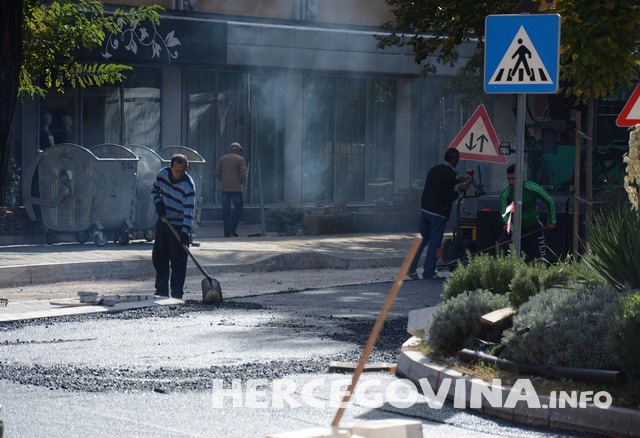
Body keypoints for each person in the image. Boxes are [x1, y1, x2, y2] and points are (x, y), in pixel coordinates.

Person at [408, 148, 469, 280]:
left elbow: (439, 185)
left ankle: (411, 268)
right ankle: (428, 272)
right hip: (438, 214)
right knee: (435, 243)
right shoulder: (449, 174)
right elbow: (447, 196)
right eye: (457, 160)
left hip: (425, 210)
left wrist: (456, 181)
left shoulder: (434, 169)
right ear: (453, 160)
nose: (457, 163)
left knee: (422, 240)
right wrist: (459, 190)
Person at [151, 154, 195, 299]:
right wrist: (158, 202)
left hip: (179, 225)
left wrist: (184, 233)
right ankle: (161, 292)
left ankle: (176, 294)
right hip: (164, 223)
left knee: (178, 262)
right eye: (176, 171)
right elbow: (154, 190)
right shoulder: (162, 174)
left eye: (182, 171)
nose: (178, 174)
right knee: (159, 258)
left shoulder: (188, 186)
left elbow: (189, 211)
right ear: (171, 167)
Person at [498, 164, 556, 261]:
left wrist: (552, 221)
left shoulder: (532, 188)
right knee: (503, 248)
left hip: (532, 227)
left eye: (513, 178)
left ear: (522, 178)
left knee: (539, 260)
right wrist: (513, 231)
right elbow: (503, 214)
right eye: (508, 179)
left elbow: (549, 200)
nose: (510, 182)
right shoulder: (505, 193)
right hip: (514, 227)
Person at [216, 142, 247, 237]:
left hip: (225, 188)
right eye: (240, 150)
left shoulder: (222, 158)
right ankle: (233, 228)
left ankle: (226, 232)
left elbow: (217, 173)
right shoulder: (240, 159)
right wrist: (241, 181)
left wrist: (223, 180)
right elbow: (243, 174)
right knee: (238, 208)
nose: (240, 152)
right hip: (236, 188)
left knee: (226, 210)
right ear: (237, 149)